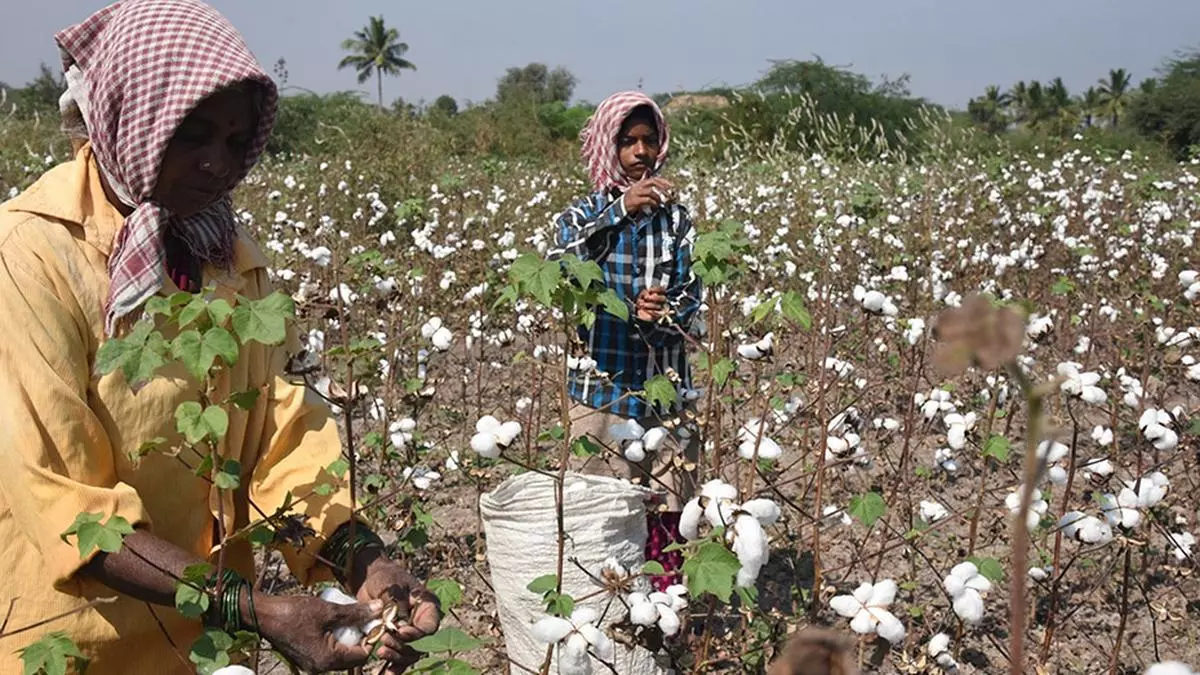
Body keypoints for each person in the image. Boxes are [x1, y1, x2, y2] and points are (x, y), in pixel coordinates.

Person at [0, 2, 437, 673]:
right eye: (192, 134)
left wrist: (362, 558)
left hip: (202, 647)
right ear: (131, 116)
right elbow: (70, 508)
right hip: (73, 645)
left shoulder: (233, 261)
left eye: (235, 143)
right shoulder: (30, 256)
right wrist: (256, 610)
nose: (216, 165)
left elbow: (287, 441)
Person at [547, 91, 704, 588]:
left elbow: (691, 296)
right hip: (600, 386)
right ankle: (606, 599)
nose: (641, 152)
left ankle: (662, 598)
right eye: (628, 141)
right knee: (602, 495)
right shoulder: (580, 216)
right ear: (607, 146)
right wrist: (618, 210)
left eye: (649, 140)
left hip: (665, 380)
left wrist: (662, 312)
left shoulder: (678, 222)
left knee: (669, 493)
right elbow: (560, 265)